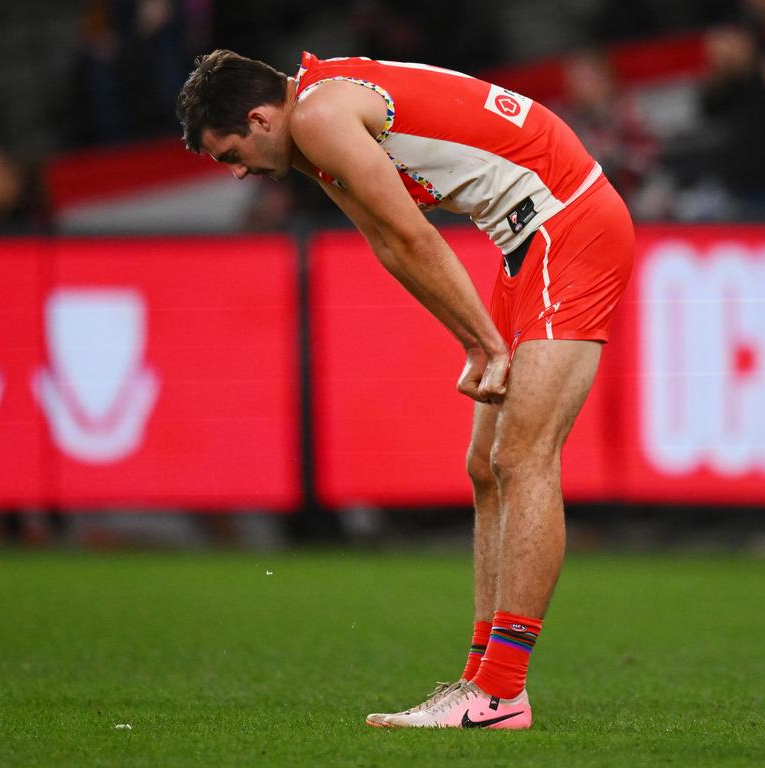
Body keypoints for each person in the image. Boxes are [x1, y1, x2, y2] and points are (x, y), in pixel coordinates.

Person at [176, 49, 634, 730]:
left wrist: (483, 342)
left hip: (567, 225)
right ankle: (480, 679)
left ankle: (502, 691)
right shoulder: (312, 128)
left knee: (523, 458)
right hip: (530, 240)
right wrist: (472, 337)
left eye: (230, 153)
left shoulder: (322, 115)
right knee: (486, 466)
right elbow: (388, 244)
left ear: (259, 116)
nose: (237, 171)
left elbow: (416, 237)